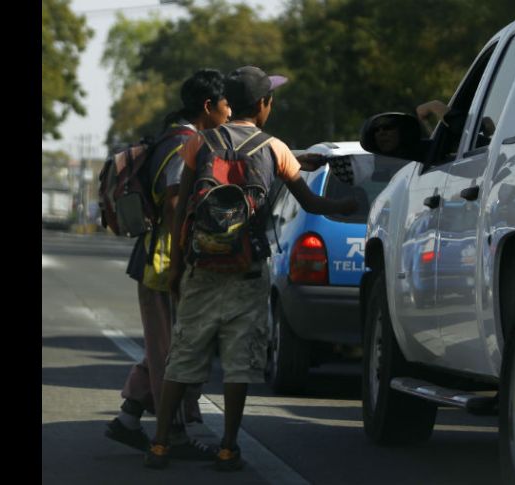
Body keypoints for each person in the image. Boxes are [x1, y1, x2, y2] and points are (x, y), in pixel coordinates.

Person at [144, 66, 358, 471]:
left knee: (184, 354)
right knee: (239, 361)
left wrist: (175, 266)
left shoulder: (200, 143)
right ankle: (227, 448)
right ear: (262, 105)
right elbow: (311, 203)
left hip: (200, 265)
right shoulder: (274, 148)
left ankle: (159, 445)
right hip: (247, 268)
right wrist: (345, 207)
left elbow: (183, 207)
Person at [105, 68, 232, 460]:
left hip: (158, 257)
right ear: (208, 107)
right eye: (226, 104)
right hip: (164, 262)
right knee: (174, 352)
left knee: (167, 346)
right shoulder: (185, 143)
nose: (230, 112)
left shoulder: (176, 136)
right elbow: (176, 202)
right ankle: (172, 435)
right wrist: (180, 265)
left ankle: (128, 420)